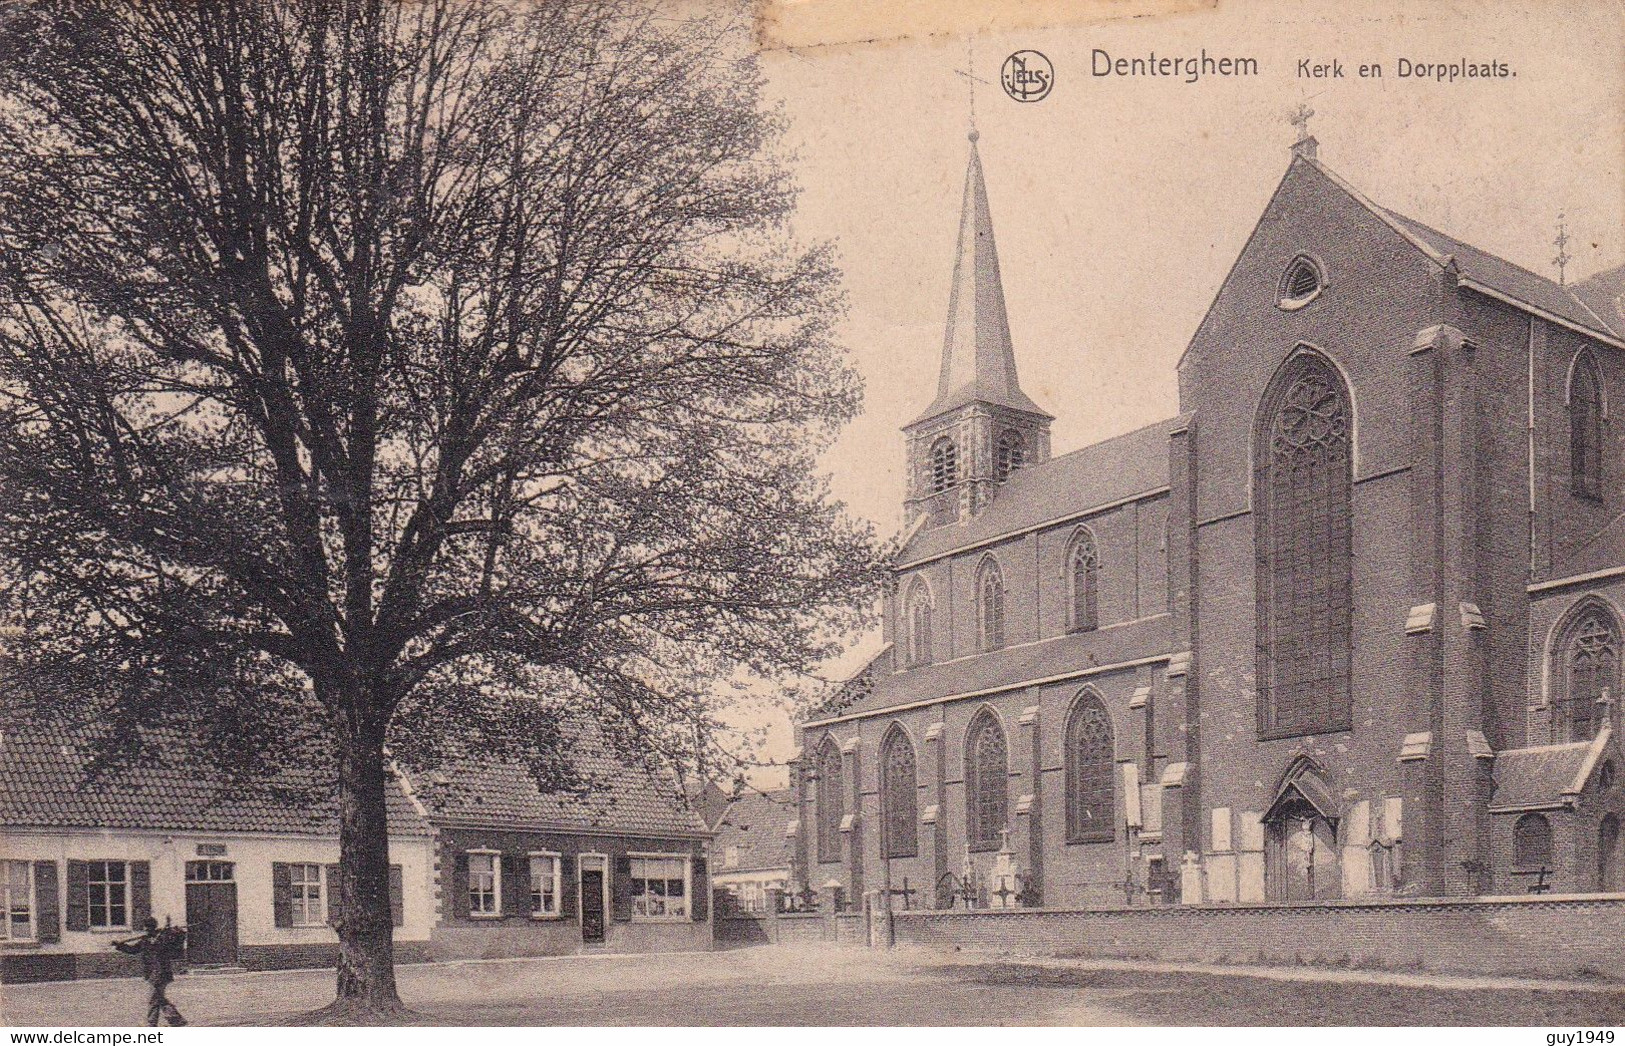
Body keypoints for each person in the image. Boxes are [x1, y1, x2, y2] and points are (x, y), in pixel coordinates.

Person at [113, 917, 188, 1026]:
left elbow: (176, 943)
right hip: (151, 972)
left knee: (153, 998)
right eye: (146, 928)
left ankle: (151, 1024)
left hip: (161, 972)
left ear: (152, 927)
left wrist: (179, 933)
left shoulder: (163, 938)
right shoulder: (145, 940)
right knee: (159, 998)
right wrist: (119, 945)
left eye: (148, 928)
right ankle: (176, 1020)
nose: (146, 930)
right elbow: (133, 950)